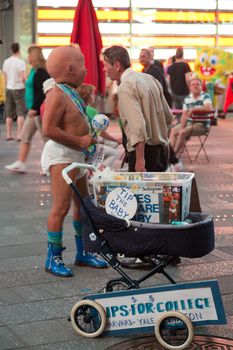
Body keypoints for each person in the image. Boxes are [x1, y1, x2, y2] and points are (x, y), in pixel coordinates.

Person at [41, 46, 107, 277]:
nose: (86, 69)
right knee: (61, 208)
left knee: (84, 205)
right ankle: (53, 257)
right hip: (62, 156)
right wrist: (79, 140)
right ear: (70, 69)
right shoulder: (57, 93)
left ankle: (83, 252)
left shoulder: (71, 92)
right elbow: (48, 128)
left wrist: (87, 141)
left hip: (77, 157)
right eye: (83, 65)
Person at [102, 45, 173, 173]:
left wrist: (140, 160)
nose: (104, 69)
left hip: (143, 155)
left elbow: (138, 126)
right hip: (161, 151)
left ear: (117, 65)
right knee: (157, 192)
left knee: (141, 193)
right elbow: (168, 117)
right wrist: (164, 142)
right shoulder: (150, 79)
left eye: (105, 65)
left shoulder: (125, 87)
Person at [5, 45, 50, 174]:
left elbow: (43, 91)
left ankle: (49, 166)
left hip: (37, 111)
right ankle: (21, 163)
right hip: (33, 110)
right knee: (25, 136)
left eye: (30, 55)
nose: (28, 57)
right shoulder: (34, 71)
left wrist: (35, 108)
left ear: (34, 56)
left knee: (46, 139)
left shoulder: (41, 71)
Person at [77, 83, 121, 169]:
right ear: (87, 96)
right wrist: (117, 140)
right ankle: (98, 170)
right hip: (90, 146)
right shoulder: (92, 111)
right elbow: (102, 133)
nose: (94, 96)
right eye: (92, 94)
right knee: (114, 152)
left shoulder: (77, 108)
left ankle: (95, 166)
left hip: (80, 145)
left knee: (111, 145)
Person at [170, 77, 212, 155]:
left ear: (201, 86)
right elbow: (184, 115)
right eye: (193, 85)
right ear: (190, 87)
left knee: (182, 132)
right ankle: (169, 155)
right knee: (173, 130)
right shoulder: (187, 98)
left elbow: (208, 108)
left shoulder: (206, 96)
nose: (195, 86)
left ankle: (174, 157)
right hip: (189, 124)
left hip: (202, 125)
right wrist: (182, 127)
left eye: (198, 84)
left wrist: (193, 109)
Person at [2, 42, 26, 140]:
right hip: (19, 88)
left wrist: (6, 87)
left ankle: (8, 134)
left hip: (9, 88)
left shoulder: (6, 62)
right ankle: (19, 135)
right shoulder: (20, 62)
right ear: (18, 50)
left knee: (9, 113)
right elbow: (22, 77)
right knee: (20, 113)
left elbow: (5, 77)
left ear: (11, 50)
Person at [167, 47, 191, 111]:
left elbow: (168, 81)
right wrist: (190, 89)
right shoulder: (185, 66)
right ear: (183, 55)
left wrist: (171, 90)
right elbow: (187, 79)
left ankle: (179, 121)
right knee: (185, 111)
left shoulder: (170, 67)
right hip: (184, 92)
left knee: (177, 112)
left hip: (174, 92)